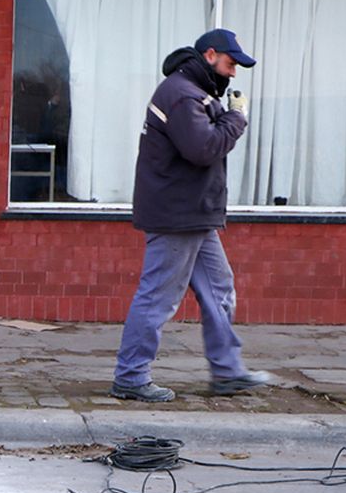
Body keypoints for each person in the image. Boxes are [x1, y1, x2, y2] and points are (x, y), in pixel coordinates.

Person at [111, 28, 273, 402]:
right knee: (158, 297)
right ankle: (131, 376)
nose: (233, 73)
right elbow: (203, 148)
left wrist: (224, 116)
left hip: (193, 213)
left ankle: (227, 372)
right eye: (231, 64)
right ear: (211, 55)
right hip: (177, 215)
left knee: (219, 290)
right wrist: (237, 118)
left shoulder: (193, 92)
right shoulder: (182, 95)